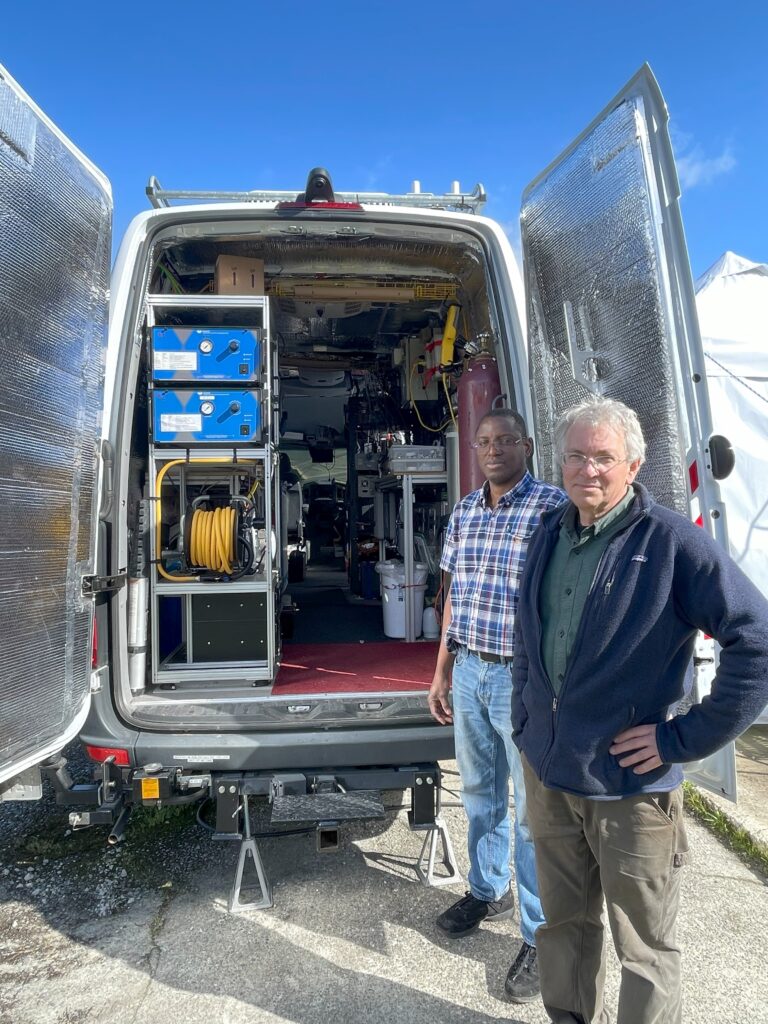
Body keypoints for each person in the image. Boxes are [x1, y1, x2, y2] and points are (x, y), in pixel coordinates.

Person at [512, 397, 768, 1024]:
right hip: (551, 776)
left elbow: (756, 640)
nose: (587, 469)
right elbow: (528, 638)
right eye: (575, 455)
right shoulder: (548, 532)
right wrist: (526, 722)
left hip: (632, 789)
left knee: (645, 948)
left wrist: (683, 739)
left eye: (603, 457)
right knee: (564, 928)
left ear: (634, 464)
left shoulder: (673, 543)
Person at [428, 408, 565, 1003]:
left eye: (505, 440)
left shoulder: (553, 510)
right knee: (480, 792)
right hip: (470, 672)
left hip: (523, 679)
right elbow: (453, 594)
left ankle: (540, 935)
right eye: (484, 441)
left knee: (534, 809)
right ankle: (488, 890)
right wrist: (441, 670)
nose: (492, 449)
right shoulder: (464, 510)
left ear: (527, 446)